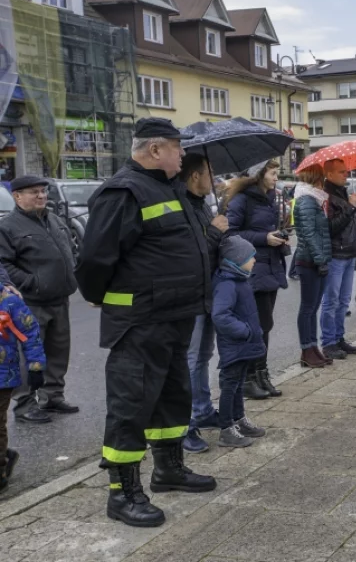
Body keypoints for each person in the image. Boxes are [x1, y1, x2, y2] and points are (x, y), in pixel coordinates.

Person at [76, 117, 216, 528]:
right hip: (139, 320)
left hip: (175, 315)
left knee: (174, 395)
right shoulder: (124, 191)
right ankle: (122, 494)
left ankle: (168, 469)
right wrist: (99, 298)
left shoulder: (171, 188)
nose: (183, 154)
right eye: (177, 147)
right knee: (131, 404)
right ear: (154, 150)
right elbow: (93, 261)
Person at [0, 176, 77, 424]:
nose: (41, 196)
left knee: (58, 352)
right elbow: (4, 264)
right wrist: (31, 282)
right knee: (29, 356)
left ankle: (53, 396)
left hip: (60, 299)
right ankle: (24, 405)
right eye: (34, 192)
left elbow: (68, 252)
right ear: (17, 196)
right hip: (31, 302)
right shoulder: (8, 227)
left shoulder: (53, 219)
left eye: (43, 191)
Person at [177, 155, 228, 453]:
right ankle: (186, 424)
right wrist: (215, 231)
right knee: (192, 358)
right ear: (196, 176)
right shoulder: (182, 206)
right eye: (210, 173)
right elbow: (192, 252)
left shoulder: (201, 205)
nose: (214, 179)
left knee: (203, 355)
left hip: (207, 289)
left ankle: (203, 408)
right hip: (190, 291)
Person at [225, 159, 288, 399]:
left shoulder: (269, 198)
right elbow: (231, 233)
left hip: (270, 266)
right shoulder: (242, 200)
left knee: (266, 325)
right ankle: (248, 378)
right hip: (252, 268)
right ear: (258, 174)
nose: (276, 178)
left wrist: (276, 237)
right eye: (273, 173)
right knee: (255, 326)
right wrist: (264, 238)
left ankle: (262, 373)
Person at [210, 236, 267, 448]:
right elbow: (220, 315)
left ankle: (239, 419)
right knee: (230, 385)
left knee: (237, 384)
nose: (254, 260)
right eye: (250, 257)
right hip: (235, 345)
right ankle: (226, 428)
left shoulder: (239, 280)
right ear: (236, 260)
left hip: (243, 345)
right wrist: (244, 331)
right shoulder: (227, 284)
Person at [0, 284, 44, 494]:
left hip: (3, 377)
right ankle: (6, 455)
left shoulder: (9, 301)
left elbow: (30, 332)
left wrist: (35, 367)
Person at [321, 158, 356, 359]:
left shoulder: (342, 193)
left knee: (344, 300)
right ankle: (328, 343)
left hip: (348, 252)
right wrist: (350, 207)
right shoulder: (326, 196)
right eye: (341, 172)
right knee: (331, 301)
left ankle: (338, 338)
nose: (345, 175)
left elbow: (349, 225)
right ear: (329, 175)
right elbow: (330, 227)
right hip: (336, 254)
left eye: (346, 171)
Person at [292, 165, 333, 369]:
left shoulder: (315, 199)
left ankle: (313, 347)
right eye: (322, 176)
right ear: (316, 177)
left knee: (313, 307)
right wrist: (320, 260)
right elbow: (309, 234)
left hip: (315, 260)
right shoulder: (307, 200)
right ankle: (306, 349)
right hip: (309, 262)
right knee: (308, 308)